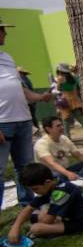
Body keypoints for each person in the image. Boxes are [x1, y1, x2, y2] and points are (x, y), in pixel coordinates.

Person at [1, 21, 52, 207]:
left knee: (25, 168)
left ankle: (28, 206)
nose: (5, 34)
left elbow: (21, 90)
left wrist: (40, 97)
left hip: (23, 120)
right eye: (2, 30)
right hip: (2, 123)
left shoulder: (7, 58)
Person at [7, 162, 83, 244]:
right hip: (70, 217)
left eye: (35, 189)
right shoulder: (50, 185)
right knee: (36, 215)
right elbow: (28, 208)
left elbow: (46, 221)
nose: (35, 192)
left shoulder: (61, 192)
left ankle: (55, 233)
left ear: (47, 182)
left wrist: (39, 221)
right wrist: (15, 227)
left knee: (36, 228)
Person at [34, 116, 83, 182]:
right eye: (58, 126)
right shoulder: (41, 143)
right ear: (48, 129)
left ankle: (76, 176)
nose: (62, 127)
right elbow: (52, 164)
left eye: (61, 125)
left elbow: (78, 155)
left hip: (65, 170)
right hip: (51, 173)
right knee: (59, 176)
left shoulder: (64, 138)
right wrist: (68, 174)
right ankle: (78, 176)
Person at [53, 63, 83, 137]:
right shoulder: (72, 77)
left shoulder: (60, 78)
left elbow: (58, 88)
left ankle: (67, 137)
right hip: (74, 99)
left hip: (65, 101)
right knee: (79, 118)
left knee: (65, 120)